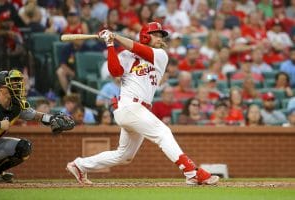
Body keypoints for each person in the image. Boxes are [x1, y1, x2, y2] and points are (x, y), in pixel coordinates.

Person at [66, 22, 219, 185]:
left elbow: (139, 49)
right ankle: (191, 172)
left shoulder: (161, 55)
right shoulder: (126, 55)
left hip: (139, 110)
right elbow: (115, 71)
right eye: (157, 35)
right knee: (163, 133)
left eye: (161, 36)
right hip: (129, 106)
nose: (160, 39)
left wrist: (115, 36)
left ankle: (79, 165)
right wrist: (110, 44)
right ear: (146, 35)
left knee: (124, 156)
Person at [0, 69, 75, 183]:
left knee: (24, 147)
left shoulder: (16, 104)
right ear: (1, 88)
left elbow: (35, 116)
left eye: (18, 81)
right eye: (12, 82)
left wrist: (52, 119)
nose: (18, 85)